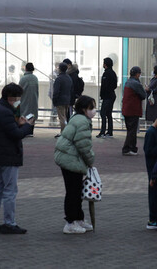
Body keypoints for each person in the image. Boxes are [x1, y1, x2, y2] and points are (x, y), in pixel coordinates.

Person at [0, 83, 35, 235]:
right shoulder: (6, 112)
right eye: (18, 98)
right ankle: (9, 223)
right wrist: (27, 126)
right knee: (10, 191)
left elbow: (8, 129)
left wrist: (17, 123)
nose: (19, 101)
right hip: (8, 155)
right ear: (11, 97)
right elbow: (15, 134)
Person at [54, 95, 97, 234]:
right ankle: (70, 222)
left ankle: (78, 218)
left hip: (69, 158)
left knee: (76, 190)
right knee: (73, 192)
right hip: (70, 160)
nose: (94, 111)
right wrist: (91, 161)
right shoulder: (83, 122)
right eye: (91, 108)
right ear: (84, 109)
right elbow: (83, 145)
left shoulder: (77, 118)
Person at [122, 66, 147, 156]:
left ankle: (132, 147)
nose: (140, 75)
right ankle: (128, 148)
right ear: (137, 74)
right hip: (133, 110)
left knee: (130, 130)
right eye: (139, 73)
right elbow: (143, 95)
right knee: (132, 130)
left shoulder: (128, 82)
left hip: (126, 109)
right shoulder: (136, 84)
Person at [97, 57, 118, 138]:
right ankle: (109, 131)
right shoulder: (112, 73)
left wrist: (104, 93)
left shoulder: (107, 73)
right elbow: (114, 85)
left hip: (108, 97)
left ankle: (103, 131)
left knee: (103, 113)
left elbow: (106, 86)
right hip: (110, 96)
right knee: (108, 114)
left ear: (105, 64)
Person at [52, 63, 73, 135]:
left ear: (60, 69)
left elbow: (56, 91)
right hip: (67, 100)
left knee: (62, 117)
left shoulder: (59, 79)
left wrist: (54, 100)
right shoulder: (69, 78)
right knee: (65, 116)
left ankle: (63, 132)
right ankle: (65, 131)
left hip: (60, 100)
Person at [18, 63, 39, 132]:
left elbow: (18, 90)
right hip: (34, 99)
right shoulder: (35, 78)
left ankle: (25, 130)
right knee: (32, 114)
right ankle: (31, 131)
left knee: (24, 114)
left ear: (26, 69)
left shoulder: (23, 79)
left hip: (24, 99)